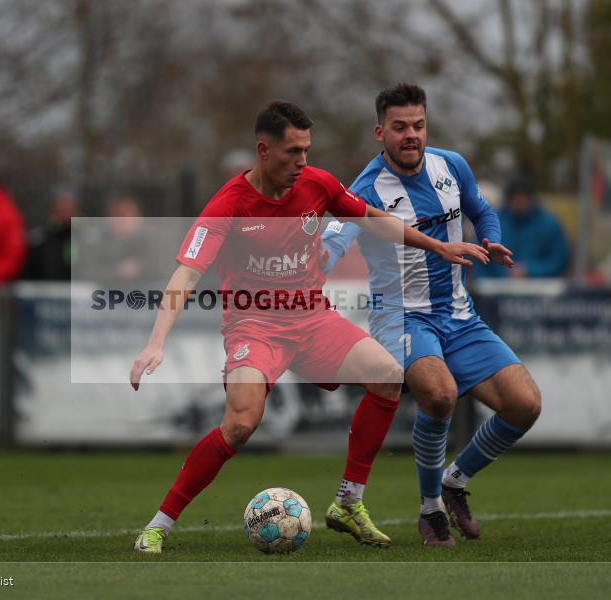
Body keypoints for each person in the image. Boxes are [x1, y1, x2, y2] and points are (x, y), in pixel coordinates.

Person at [130, 100, 488, 553]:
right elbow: (185, 274)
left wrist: (437, 246)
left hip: (313, 318)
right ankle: (159, 524)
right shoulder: (228, 205)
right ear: (263, 151)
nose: (303, 162)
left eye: (306, 151)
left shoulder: (317, 184)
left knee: (386, 374)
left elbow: (375, 221)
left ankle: (348, 502)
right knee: (241, 423)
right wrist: (154, 344)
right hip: (255, 327)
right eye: (292, 153)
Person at [322, 83, 542, 546]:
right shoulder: (362, 190)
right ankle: (429, 510)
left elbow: (482, 211)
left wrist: (490, 238)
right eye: (399, 127)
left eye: (418, 125)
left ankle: (453, 483)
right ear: (379, 132)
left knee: (525, 405)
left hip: (460, 316)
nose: (411, 135)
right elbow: (328, 248)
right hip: (400, 319)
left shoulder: (451, 165)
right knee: (440, 395)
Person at [479, 176, 569, 278]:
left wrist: (530, 270)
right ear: (509, 198)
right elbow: (480, 258)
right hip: (496, 290)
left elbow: (559, 260)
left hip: (540, 289)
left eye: (523, 197)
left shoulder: (549, 224)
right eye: (516, 197)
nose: (520, 201)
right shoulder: (493, 223)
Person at [24, 187, 77, 280]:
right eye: (61, 206)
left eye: (69, 206)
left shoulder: (87, 240)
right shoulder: (37, 241)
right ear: (52, 208)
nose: (65, 210)